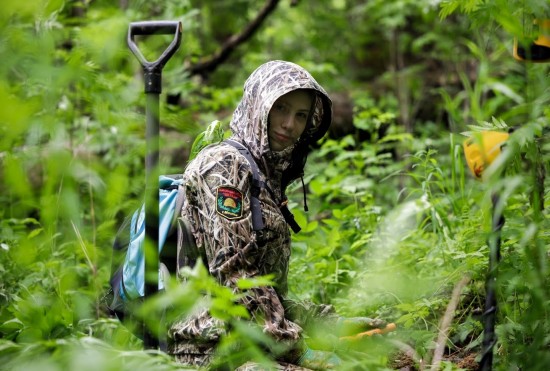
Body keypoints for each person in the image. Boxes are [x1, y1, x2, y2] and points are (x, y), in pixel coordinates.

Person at [168, 60, 383, 369]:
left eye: (301, 115)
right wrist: (300, 352)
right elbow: (238, 278)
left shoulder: (262, 177)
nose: (289, 124)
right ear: (259, 105)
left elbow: (268, 292)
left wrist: (328, 324)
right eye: (281, 109)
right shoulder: (225, 167)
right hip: (212, 353)